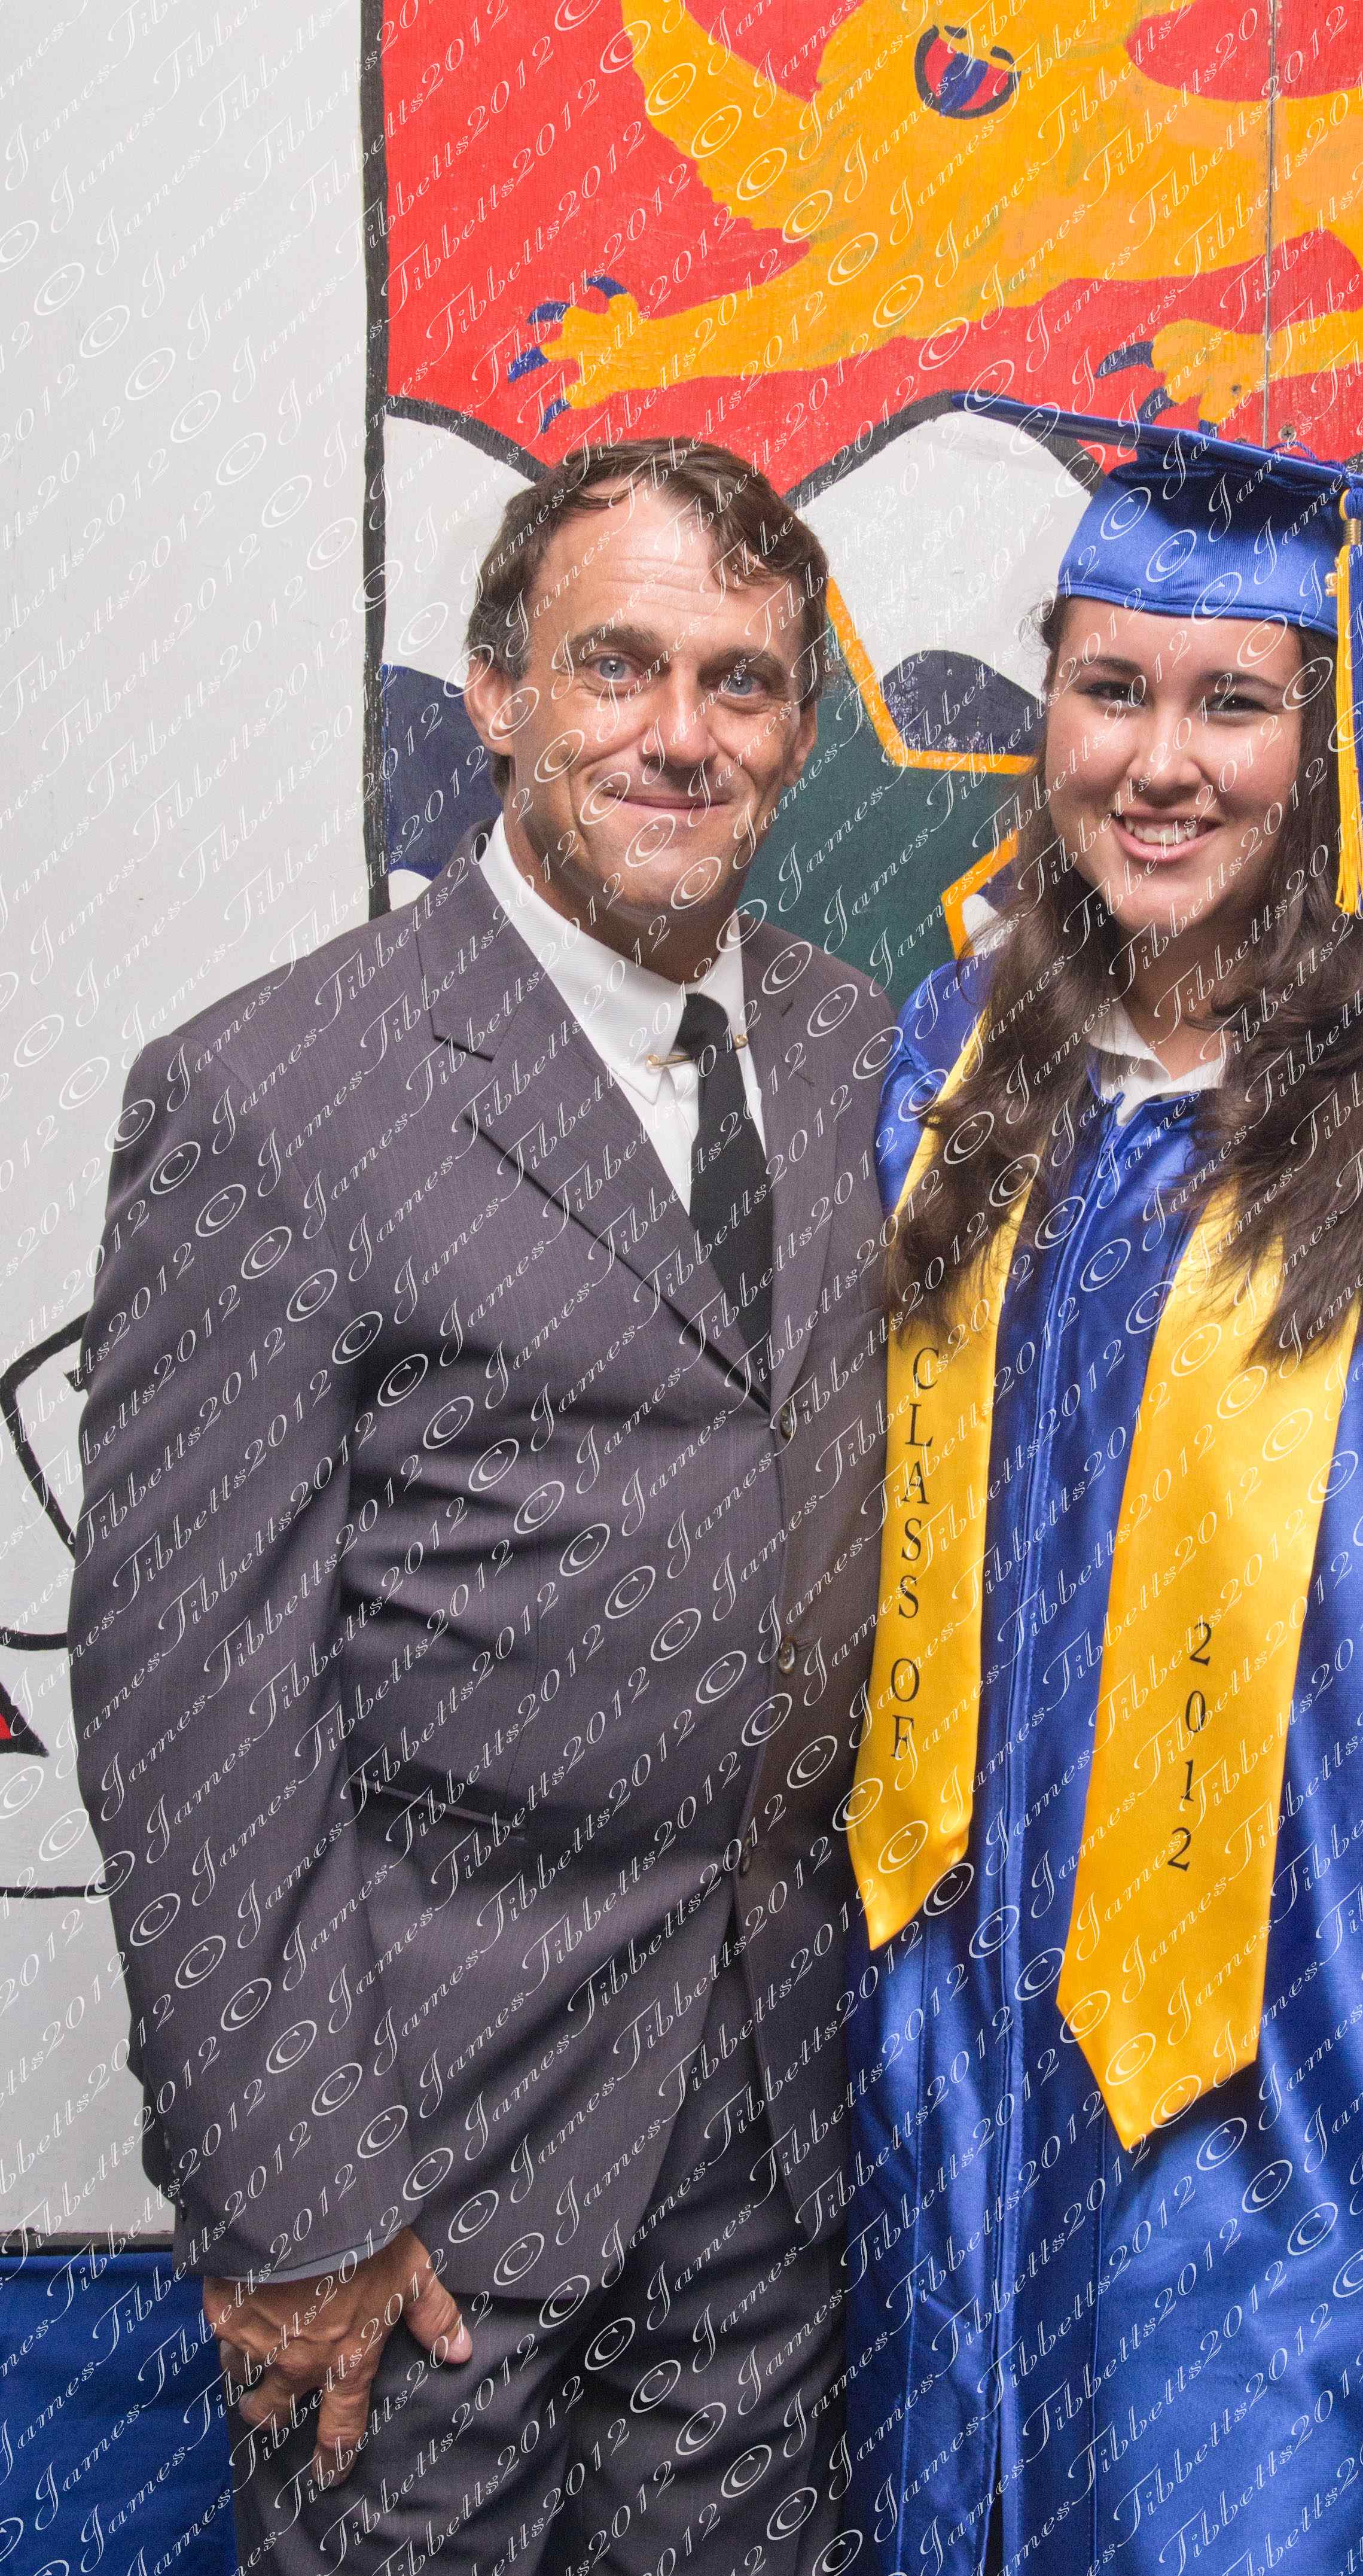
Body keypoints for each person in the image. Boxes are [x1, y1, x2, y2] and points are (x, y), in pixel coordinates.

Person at [843, 394, 1363, 2576]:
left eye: (1233, 703)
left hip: (1351, 2080)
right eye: (1110, 691)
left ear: (1330, 746)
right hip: (981, 2045)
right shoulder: (961, 1070)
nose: (1161, 762)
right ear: (1043, 719)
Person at [69, 437, 893, 2575]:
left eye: (739, 679)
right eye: (617, 664)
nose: (679, 732)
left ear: (800, 729)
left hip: (774, 2157)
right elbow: (189, 1707)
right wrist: (291, 2195)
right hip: (419, 2179)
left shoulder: (857, 1052)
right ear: (497, 694)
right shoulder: (274, 1097)